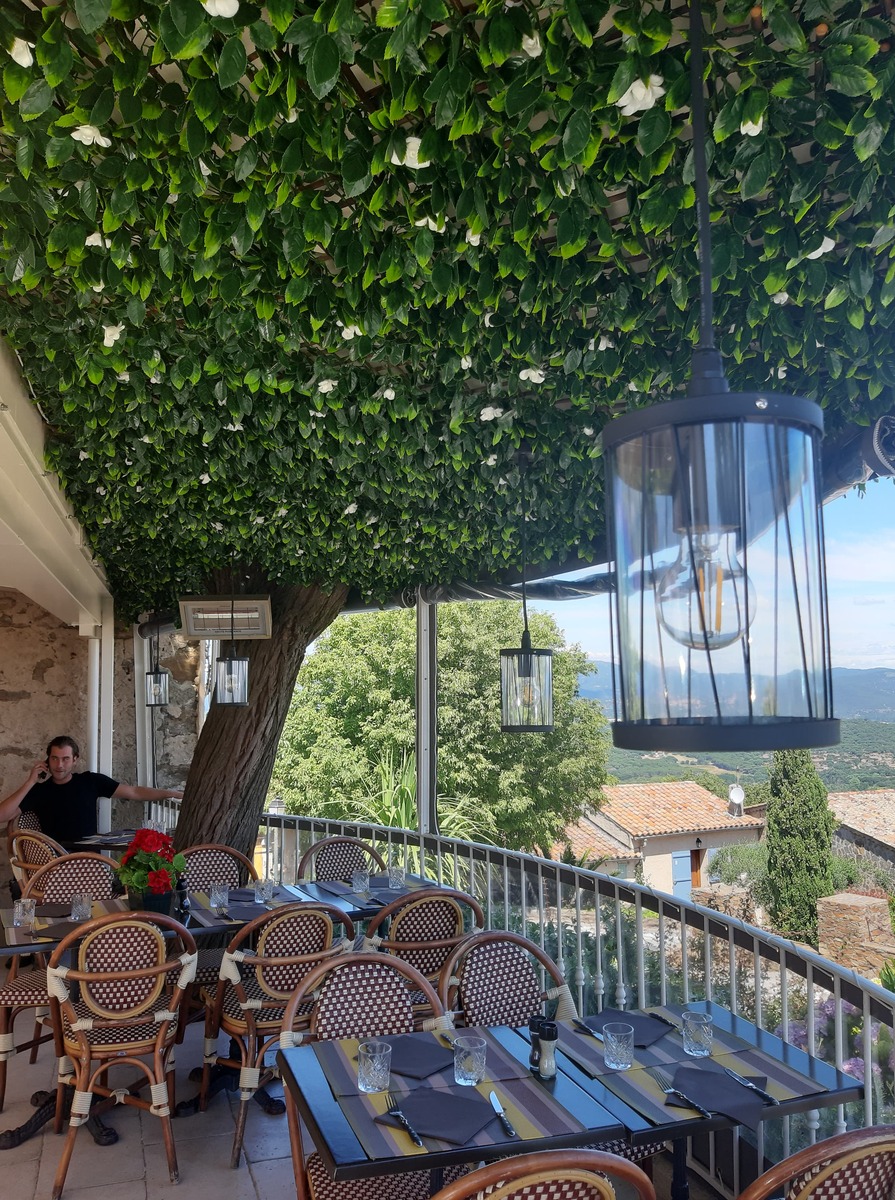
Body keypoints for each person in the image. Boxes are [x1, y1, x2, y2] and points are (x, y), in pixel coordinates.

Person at [0, 735, 184, 844]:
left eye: (65, 759)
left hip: (90, 858)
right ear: (47, 760)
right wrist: (30, 782)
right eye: (54, 758)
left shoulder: (90, 781)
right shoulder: (40, 791)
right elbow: (2, 816)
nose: (59, 765)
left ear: (75, 760)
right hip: (55, 860)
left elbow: (134, 792)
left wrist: (171, 793)